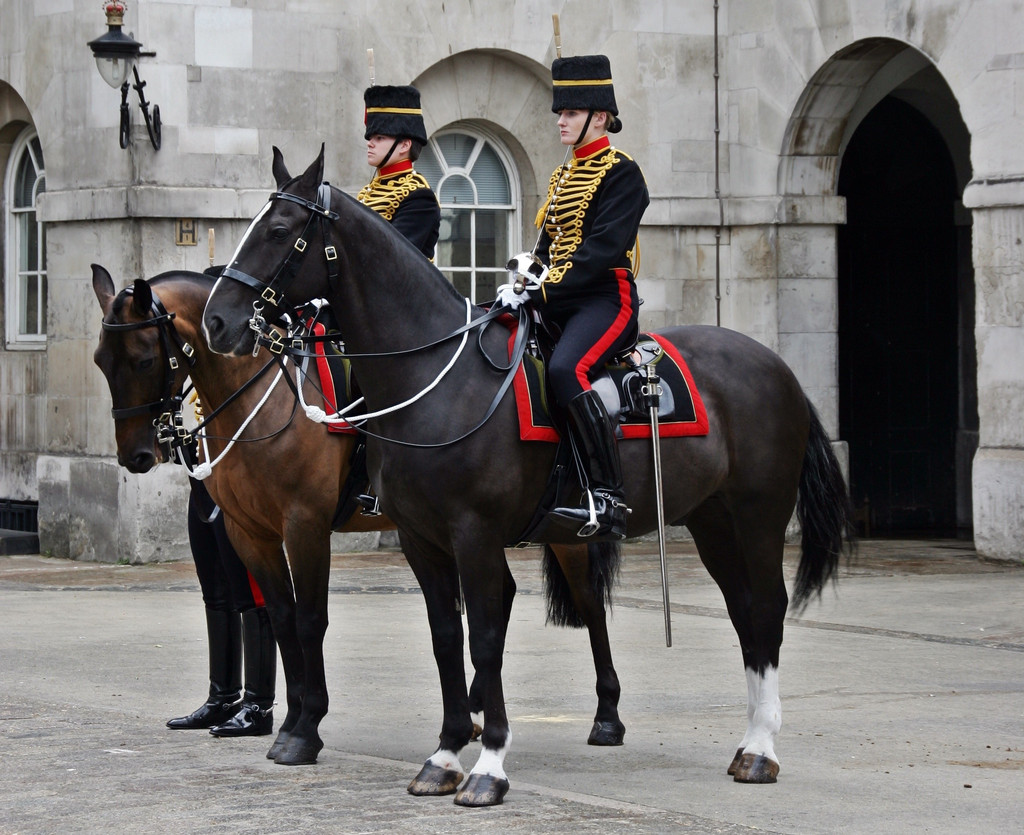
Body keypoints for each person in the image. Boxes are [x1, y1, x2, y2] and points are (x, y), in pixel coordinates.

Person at [503, 54, 649, 539]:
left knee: (567, 369)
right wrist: (523, 280)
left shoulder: (623, 174)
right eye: (560, 113)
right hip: (555, 299)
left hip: (605, 298)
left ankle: (607, 495)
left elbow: (599, 252)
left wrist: (543, 289)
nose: (560, 121)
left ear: (599, 117)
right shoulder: (561, 176)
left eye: (569, 113)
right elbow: (548, 246)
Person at [165, 476, 277, 738]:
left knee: (251, 595)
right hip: (202, 479)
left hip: (236, 477)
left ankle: (258, 708)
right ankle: (223, 699)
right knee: (214, 593)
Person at [357, 84, 440, 259]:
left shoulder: (419, 197)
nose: (370, 143)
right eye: (370, 137)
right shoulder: (367, 191)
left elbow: (392, 257)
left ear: (404, 145)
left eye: (379, 138)